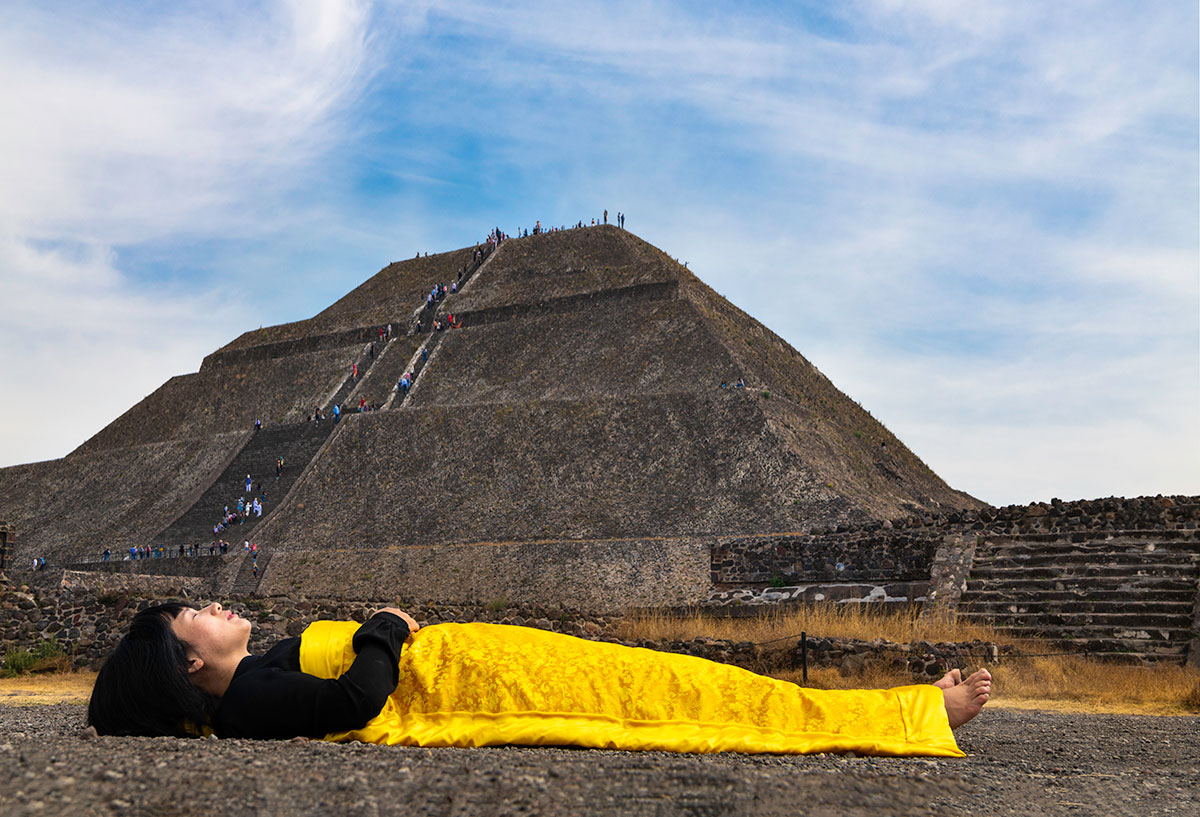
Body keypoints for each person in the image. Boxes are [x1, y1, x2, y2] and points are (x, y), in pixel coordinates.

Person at [87, 602, 990, 755]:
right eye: (190, 617)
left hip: (483, 661)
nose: (208, 605)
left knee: (674, 677)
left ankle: (910, 705)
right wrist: (384, 631)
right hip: (477, 679)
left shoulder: (250, 678)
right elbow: (356, 700)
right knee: (680, 694)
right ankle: (915, 711)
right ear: (193, 662)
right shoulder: (248, 697)